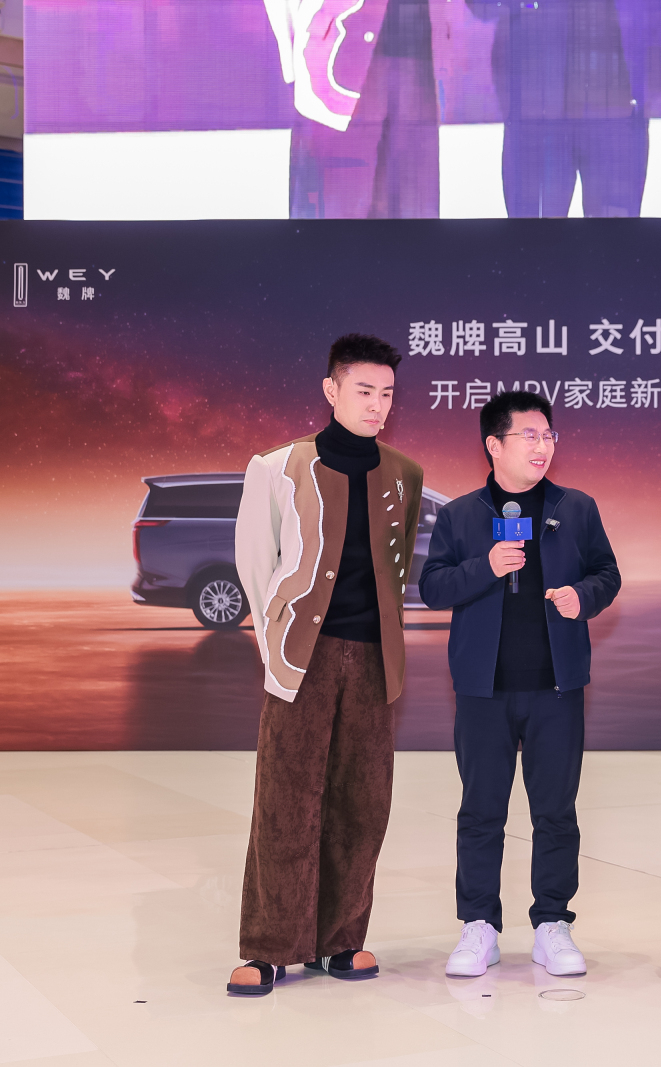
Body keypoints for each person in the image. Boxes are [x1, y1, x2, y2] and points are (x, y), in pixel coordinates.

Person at [226, 334, 425, 998]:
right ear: (331, 389)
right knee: (286, 798)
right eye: (364, 390)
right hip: (300, 656)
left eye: (387, 393)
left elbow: (397, 568)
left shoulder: (405, 474)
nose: (377, 405)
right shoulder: (276, 467)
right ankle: (269, 947)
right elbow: (256, 564)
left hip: (373, 659)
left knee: (362, 801)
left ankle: (341, 939)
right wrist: (274, 645)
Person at [419, 391, 621, 978]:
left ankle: (552, 923)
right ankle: (478, 926)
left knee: (555, 812)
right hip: (483, 690)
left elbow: (606, 574)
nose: (542, 446)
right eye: (529, 435)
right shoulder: (461, 515)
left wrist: (582, 596)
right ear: (494, 444)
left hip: (556, 688)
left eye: (548, 435)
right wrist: (487, 566)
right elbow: (433, 587)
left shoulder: (576, 508)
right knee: (481, 811)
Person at [466, 0, 661, 218]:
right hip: (541, 109)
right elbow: (481, 6)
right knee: (535, 233)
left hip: (609, 108)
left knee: (613, 232)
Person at [265, 0, 439, 217]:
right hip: (336, 55)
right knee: (332, 211)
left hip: (418, 57)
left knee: (411, 207)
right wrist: (291, 59)